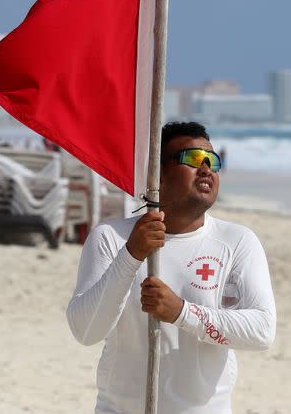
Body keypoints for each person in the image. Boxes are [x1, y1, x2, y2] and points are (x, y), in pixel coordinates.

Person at [66, 121, 276, 414]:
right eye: (192, 158)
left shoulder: (237, 241)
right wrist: (131, 255)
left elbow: (262, 331)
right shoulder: (112, 238)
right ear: (157, 172)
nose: (206, 169)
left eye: (213, 161)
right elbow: (86, 330)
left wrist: (181, 312)